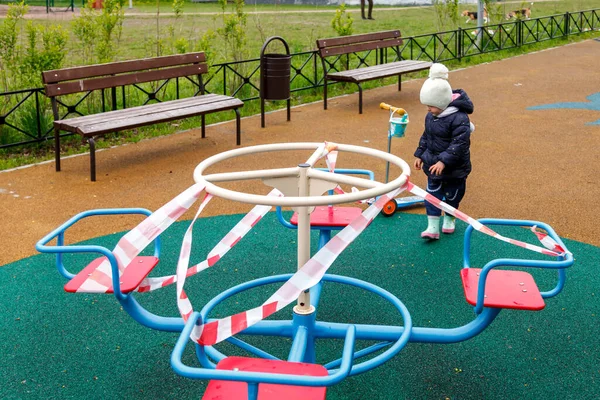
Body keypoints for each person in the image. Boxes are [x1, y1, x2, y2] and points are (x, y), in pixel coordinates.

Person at [413, 63, 474, 240]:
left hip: (455, 169)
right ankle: (432, 227)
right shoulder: (432, 115)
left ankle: (449, 219)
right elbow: (427, 135)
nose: (428, 109)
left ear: (442, 103)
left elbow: (460, 143)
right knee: (431, 195)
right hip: (433, 166)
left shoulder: (459, 118)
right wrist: (420, 153)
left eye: (431, 106)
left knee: (452, 195)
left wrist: (444, 161)